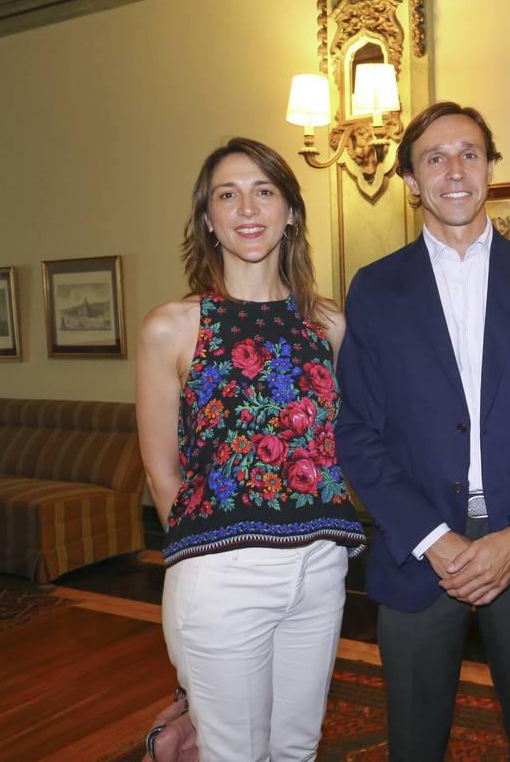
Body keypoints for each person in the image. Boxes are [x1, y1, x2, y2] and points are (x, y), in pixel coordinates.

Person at [335, 102, 510, 761]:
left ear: (492, 167)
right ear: (411, 180)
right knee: (413, 743)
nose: (454, 170)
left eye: (470, 153)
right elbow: (357, 432)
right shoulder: (376, 290)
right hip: (418, 554)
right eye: (434, 158)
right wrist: (433, 539)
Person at [136, 137, 366, 761]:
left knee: (297, 748)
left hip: (321, 565)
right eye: (227, 195)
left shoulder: (328, 325)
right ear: (207, 219)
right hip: (222, 572)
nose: (247, 208)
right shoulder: (174, 327)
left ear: (291, 210)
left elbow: (341, 441)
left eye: (264, 191)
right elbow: (162, 473)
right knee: (234, 752)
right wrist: (205, 561)